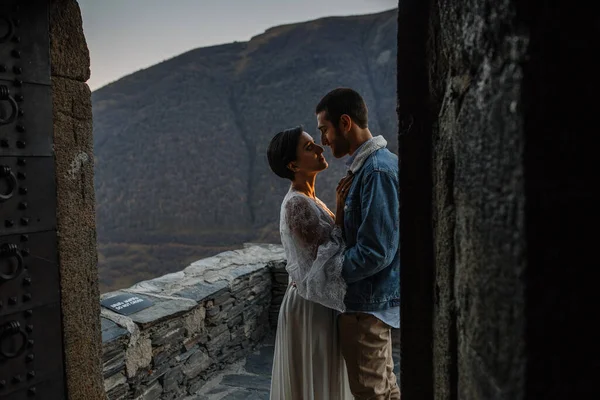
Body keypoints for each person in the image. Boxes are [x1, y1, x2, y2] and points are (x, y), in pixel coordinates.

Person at [316, 87, 400, 400]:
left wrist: (328, 272)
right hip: (372, 304)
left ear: (346, 123)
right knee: (386, 391)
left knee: (371, 394)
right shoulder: (370, 167)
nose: (324, 140)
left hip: (367, 307)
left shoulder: (377, 170)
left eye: (325, 129)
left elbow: (375, 251)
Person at [266, 126, 354, 400]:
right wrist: (340, 210)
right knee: (316, 380)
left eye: (315, 143)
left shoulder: (309, 199)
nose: (320, 148)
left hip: (318, 303)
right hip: (310, 307)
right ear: (293, 165)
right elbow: (325, 257)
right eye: (309, 147)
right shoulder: (297, 205)